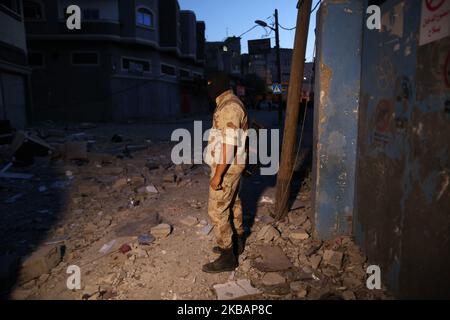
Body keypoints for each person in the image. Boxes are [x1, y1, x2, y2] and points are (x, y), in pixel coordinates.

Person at [202, 72, 249, 273]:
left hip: (227, 167)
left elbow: (229, 144)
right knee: (233, 202)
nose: (208, 89)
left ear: (218, 85)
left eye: (211, 85)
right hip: (231, 165)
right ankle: (236, 243)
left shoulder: (230, 106)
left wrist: (218, 174)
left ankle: (227, 255)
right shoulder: (228, 102)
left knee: (217, 209)